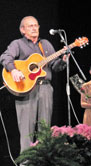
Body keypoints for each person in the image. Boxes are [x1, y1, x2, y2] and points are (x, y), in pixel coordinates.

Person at [0, 16, 68, 153]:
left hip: (46, 88)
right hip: (25, 89)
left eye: (36, 25)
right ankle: (26, 165)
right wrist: (13, 70)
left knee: (45, 127)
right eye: (30, 26)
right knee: (26, 130)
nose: (34, 28)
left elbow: (54, 66)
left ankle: (43, 161)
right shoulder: (17, 44)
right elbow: (5, 57)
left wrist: (63, 60)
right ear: (22, 30)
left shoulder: (46, 44)